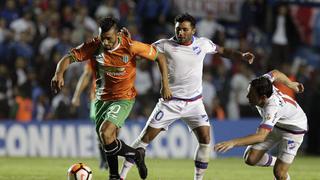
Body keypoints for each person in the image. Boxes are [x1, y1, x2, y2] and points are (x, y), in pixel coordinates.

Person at [120, 13, 255, 180]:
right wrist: (130, 45)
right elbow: (141, 55)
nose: (180, 33)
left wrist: (241, 56)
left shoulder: (203, 43)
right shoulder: (164, 45)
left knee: (205, 139)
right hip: (170, 102)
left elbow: (222, 51)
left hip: (194, 104)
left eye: (184, 29)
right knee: (143, 140)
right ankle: (121, 176)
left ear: (193, 30)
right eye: (178, 29)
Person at [51, 17, 172, 180]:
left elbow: (160, 57)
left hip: (124, 98)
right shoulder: (94, 46)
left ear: (117, 35)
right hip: (101, 100)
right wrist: (59, 73)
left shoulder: (130, 46)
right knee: (106, 140)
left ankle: (135, 154)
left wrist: (165, 84)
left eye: (109, 38)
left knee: (106, 133)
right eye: (103, 38)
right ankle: (114, 175)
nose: (105, 42)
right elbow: (68, 57)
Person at [214, 69, 307, 180]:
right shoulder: (263, 82)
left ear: (263, 98)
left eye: (251, 94)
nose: (247, 96)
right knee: (251, 158)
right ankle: (278, 162)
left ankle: (281, 168)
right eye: (249, 91)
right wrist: (291, 84)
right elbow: (276, 73)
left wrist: (233, 142)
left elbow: (261, 136)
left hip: (294, 130)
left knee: (279, 174)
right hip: (277, 124)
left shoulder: (272, 108)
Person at [71, 62, 109, 170]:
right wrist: (76, 95)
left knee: (113, 132)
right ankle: (104, 160)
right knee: (102, 131)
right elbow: (86, 75)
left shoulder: (121, 52)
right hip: (98, 98)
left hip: (118, 98)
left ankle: (106, 159)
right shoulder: (94, 56)